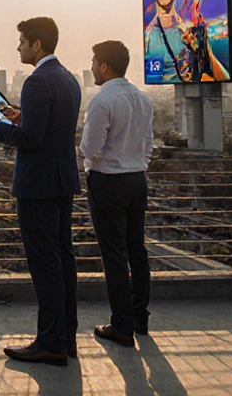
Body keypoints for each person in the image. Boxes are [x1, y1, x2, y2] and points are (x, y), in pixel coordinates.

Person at [0, 17, 81, 367]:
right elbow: (51, 128)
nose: (19, 47)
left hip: (38, 185)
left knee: (45, 265)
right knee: (63, 260)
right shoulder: (68, 78)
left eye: (22, 42)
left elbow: (31, 140)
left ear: (37, 45)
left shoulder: (36, 81)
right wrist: (22, 115)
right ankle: (66, 337)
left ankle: (49, 342)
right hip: (63, 180)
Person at [80, 40, 154, 347]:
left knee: (114, 255)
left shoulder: (102, 101)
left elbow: (89, 148)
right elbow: (148, 143)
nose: (92, 67)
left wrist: (87, 162)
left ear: (105, 66)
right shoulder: (141, 98)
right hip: (137, 179)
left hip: (109, 182)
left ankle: (121, 325)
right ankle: (139, 318)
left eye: (94, 61)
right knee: (137, 251)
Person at [144, 0, 229, 82]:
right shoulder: (148, 37)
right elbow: (155, 76)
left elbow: (224, 78)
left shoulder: (188, 35)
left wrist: (208, 56)